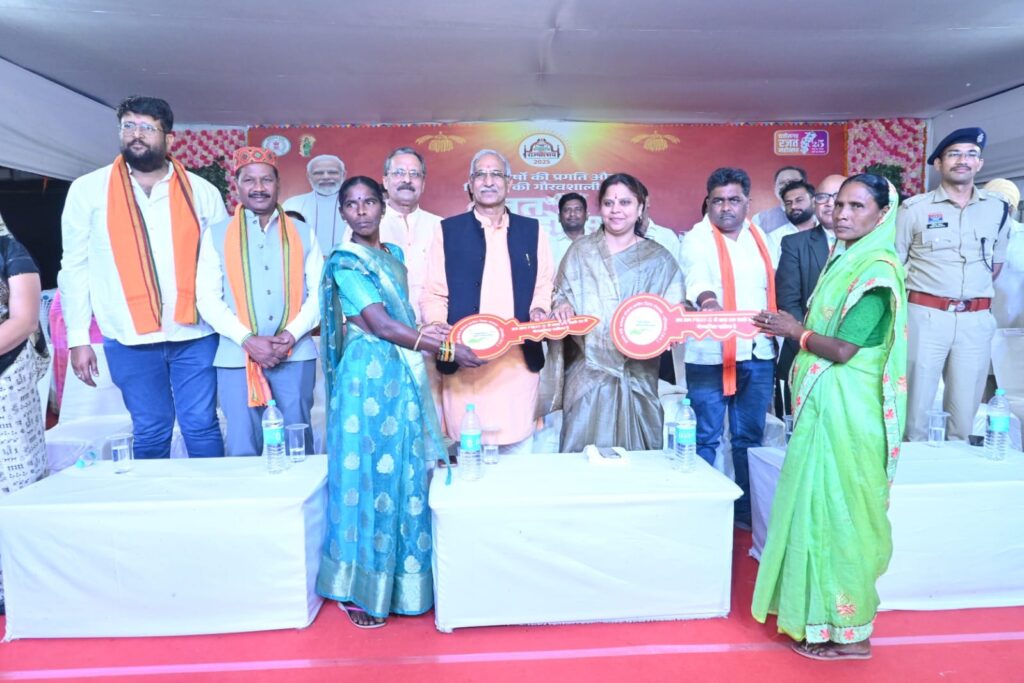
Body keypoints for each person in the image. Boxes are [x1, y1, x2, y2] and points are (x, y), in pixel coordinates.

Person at [751, 173, 907, 661]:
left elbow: (842, 349)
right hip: (827, 410)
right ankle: (816, 620)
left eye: (857, 206)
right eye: (839, 204)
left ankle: (851, 633)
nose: (842, 214)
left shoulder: (876, 273)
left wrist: (793, 331)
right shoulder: (844, 260)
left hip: (850, 417)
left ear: (882, 215)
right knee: (814, 512)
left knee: (841, 517)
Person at [317, 176, 482, 628]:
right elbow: (382, 325)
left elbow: (403, 320)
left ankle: (406, 583)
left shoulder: (394, 255)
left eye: (369, 202)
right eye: (352, 204)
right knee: (367, 475)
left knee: (405, 469)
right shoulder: (346, 263)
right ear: (342, 212)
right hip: (365, 379)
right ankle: (361, 587)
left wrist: (435, 335)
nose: (362, 211)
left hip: (400, 372)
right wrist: (446, 349)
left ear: (383, 206)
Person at [60, 95, 227, 459]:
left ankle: (211, 496)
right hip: (127, 335)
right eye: (128, 126)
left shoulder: (203, 193)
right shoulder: (88, 190)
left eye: (147, 128)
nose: (136, 134)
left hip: (195, 333)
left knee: (201, 424)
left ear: (169, 138)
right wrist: (78, 338)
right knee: (150, 429)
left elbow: (221, 268)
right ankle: (155, 496)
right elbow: (74, 266)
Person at [421, 149, 554, 452]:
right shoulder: (448, 231)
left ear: (510, 183)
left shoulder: (532, 230)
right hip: (466, 361)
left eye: (496, 174)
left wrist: (539, 308)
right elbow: (434, 291)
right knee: (470, 448)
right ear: (470, 184)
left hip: (517, 363)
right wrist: (441, 329)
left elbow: (544, 282)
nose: (489, 181)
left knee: (519, 447)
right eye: (481, 174)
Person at [196, 147, 323, 456]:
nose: (259, 187)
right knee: (242, 445)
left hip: (294, 354)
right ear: (236, 185)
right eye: (249, 180)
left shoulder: (303, 232)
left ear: (278, 184)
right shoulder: (216, 234)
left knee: (297, 444)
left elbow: (320, 293)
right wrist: (248, 339)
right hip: (236, 356)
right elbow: (207, 298)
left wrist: (290, 335)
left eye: (266, 179)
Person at [548, 174, 684, 451]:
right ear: (600, 208)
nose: (616, 210)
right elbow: (559, 293)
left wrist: (672, 327)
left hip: (638, 370)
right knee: (581, 448)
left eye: (625, 202)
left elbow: (674, 307)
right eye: (609, 203)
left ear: (640, 207)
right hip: (587, 368)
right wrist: (561, 304)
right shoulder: (581, 251)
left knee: (641, 453)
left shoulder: (658, 258)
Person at [680, 167, 779, 529]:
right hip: (710, 355)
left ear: (747, 202)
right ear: (708, 202)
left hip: (758, 352)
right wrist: (709, 303)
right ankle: (703, 513)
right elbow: (697, 277)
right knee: (705, 437)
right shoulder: (696, 238)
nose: (725, 207)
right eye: (718, 200)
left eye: (733, 200)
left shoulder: (760, 237)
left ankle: (746, 513)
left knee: (749, 438)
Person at [897, 127, 1007, 441]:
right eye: (954, 154)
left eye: (971, 154)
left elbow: (995, 265)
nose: (963, 160)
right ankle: (913, 466)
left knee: (964, 413)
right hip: (926, 317)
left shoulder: (997, 209)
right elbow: (894, 265)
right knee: (915, 411)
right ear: (939, 163)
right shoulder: (914, 209)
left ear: (980, 164)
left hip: (975, 321)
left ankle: (957, 464)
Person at [0, 216, 49, 615]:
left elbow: (25, 320)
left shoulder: (11, 253)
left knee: (17, 479)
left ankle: (20, 580)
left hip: (8, 377)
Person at [774, 174, 845, 414]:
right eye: (822, 197)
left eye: (837, 197)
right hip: (804, 352)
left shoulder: (870, 246)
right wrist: (813, 342)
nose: (829, 203)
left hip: (853, 356)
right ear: (815, 203)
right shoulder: (794, 244)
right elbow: (788, 302)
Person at [282, 154, 346, 255]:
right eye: (318, 173)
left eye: (332, 172)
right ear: (309, 176)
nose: (326, 177)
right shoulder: (293, 204)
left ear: (343, 175)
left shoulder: (356, 206)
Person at [985, 178, 1024, 328]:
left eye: (1005, 207)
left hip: (1016, 328)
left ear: (1012, 209)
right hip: (978, 326)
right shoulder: (971, 237)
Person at [752, 166, 808, 234]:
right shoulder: (760, 219)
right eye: (782, 183)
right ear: (775, 188)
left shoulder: (818, 214)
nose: (787, 186)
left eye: (793, 182)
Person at [768, 180, 817, 250]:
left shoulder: (827, 229)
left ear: (814, 202)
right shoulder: (775, 238)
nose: (793, 206)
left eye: (799, 200)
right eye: (788, 203)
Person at [550, 192, 588, 269]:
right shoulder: (550, 245)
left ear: (586, 215)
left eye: (578, 209)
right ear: (559, 217)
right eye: (567, 210)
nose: (572, 214)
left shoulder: (597, 243)